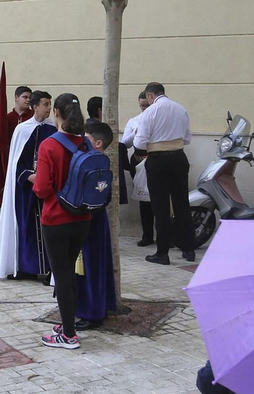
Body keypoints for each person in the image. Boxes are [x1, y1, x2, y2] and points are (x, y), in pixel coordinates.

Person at [32, 93, 93, 350]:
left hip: (56, 218)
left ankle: (68, 335)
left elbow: (42, 189)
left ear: (56, 111)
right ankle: (68, 322)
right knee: (69, 271)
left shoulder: (49, 145)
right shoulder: (86, 144)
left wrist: (35, 178)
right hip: (83, 216)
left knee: (63, 274)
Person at [0, 92, 54, 280]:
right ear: (35, 107)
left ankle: (47, 268)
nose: (49, 108)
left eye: (50, 104)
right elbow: (15, 164)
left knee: (46, 227)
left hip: (47, 187)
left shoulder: (52, 129)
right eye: (46, 104)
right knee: (26, 227)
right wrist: (29, 176)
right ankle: (25, 267)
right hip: (25, 190)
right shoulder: (22, 129)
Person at [129, 82, 194, 265]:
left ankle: (162, 252)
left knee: (161, 206)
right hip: (179, 158)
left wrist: (143, 151)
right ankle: (188, 249)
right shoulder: (181, 109)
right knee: (182, 203)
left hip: (158, 160)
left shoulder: (150, 112)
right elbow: (187, 138)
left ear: (150, 95)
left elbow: (140, 142)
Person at [75, 122, 119, 328]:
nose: (84, 141)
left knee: (90, 267)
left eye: (87, 138)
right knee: (97, 265)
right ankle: (100, 307)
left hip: (89, 219)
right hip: (98, 218)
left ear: (98, 142)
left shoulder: (94, 162)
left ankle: (92, 313)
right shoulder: (102, 162)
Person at [120, 96, 154, 246]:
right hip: (139, 161)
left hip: (155, 160)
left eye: (147, 105)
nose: (145, 109)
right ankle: (147, 235)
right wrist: (137, 131)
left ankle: (165, 235)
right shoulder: (134, 121)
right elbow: (125, 143)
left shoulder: (157, 118)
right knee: (143, 199)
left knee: (159, 199)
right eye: (142, 106)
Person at [0, 86, 32, 204]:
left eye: (30, 97)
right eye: (25, 97)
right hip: (10, 161)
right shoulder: (8, 118)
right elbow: (1, 137)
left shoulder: (33, 117)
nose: (28, 100)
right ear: (16, 98)